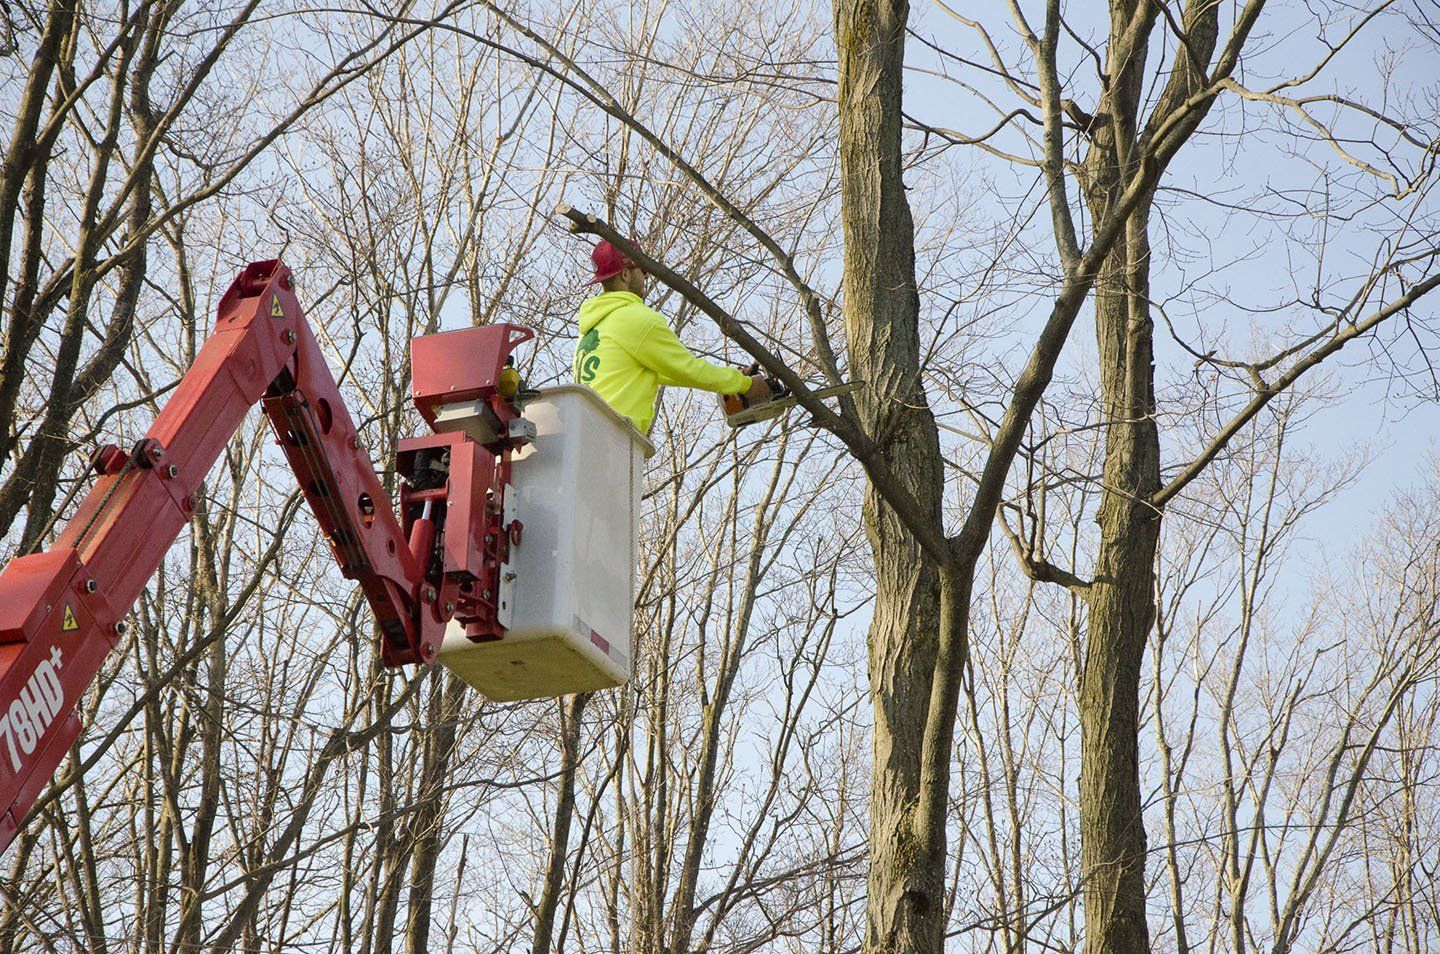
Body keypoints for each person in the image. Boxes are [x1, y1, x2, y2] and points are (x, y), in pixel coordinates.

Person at [573, 240, 770, 434]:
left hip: (588, 436)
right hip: (615, 436)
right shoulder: (635, 318)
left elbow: (666, 370)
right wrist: (744, 385)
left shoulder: (591, 328)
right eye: (643, 271)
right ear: (625, 274)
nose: (646, 277)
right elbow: (686, 368)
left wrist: (732, 377)